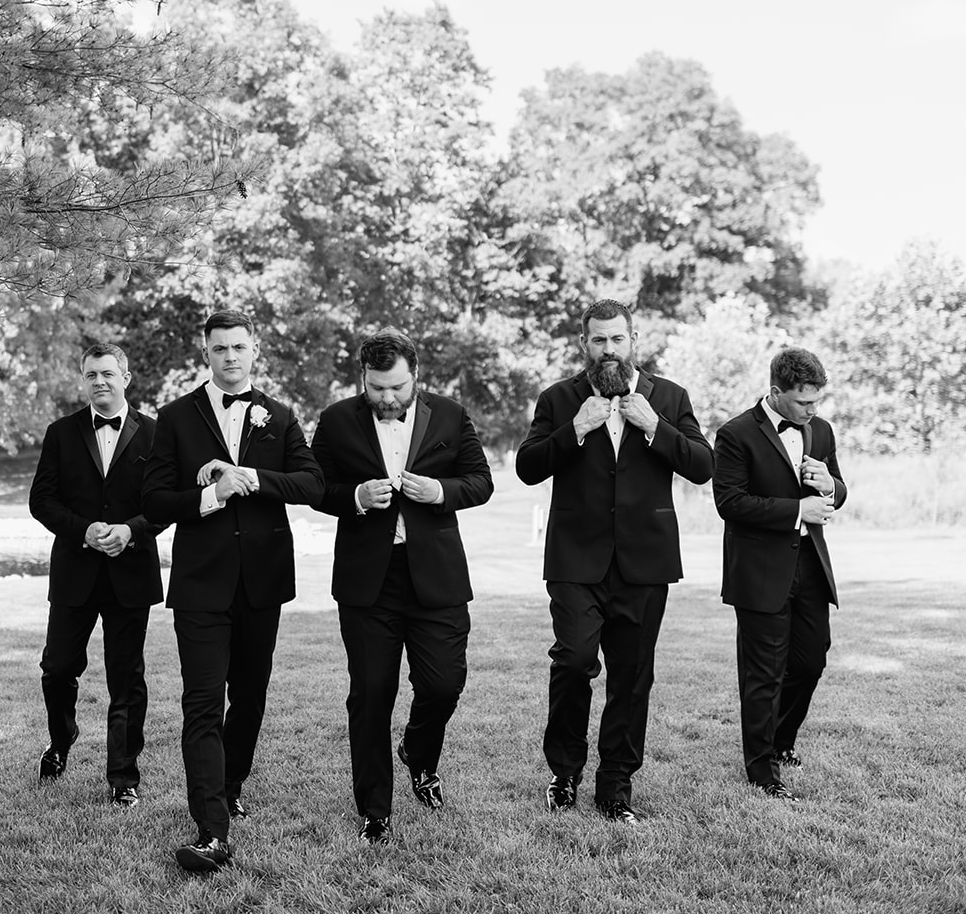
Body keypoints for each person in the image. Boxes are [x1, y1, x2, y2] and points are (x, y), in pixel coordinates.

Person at [515, 299, 713, 824]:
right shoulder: (559, 399)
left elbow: (702, 466)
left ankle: (615, 786)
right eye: (598, 340)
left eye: (617, 339)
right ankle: (563, 773)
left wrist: (655, 427)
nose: (608, 349)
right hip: (575, 560)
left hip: (645, 562)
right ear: (585, 344)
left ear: (633, 340)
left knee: (632, 676)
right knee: (574, 660)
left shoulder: (668, 396)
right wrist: (574, 429)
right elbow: (528, 468)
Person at [142, 309, 324, 872]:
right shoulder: (173, 418)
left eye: (238, 346)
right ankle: (211, 832)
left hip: (261, 583)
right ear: (205, 353)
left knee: (249, 697)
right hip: (199, 584)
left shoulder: (281, 414)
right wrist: (211, 494)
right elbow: (153, 502)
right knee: (201, 703)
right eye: (219, 348)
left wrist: (250, 478)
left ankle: (232, 783)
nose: (229, 356)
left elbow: (313, 484)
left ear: (254, 349)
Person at [309, 329, 494, 844]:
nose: (387, 398)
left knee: (442, 685)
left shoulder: (450, 415)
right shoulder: (336, 420)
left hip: (436, 576)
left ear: (416, 377)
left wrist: (441, 491)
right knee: (371, 693)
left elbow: (481, 481)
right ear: (361, 380)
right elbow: (314, 485)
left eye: (397, 387)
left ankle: (418, 751)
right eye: (377, 388)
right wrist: (355, 497)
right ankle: (375, 809)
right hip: (368, 582)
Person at [28, 343, 167, 807]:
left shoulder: (156, 432)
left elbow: (167, 505)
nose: (100, 381)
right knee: (57, 669)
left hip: (132, 571)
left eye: (108, 373)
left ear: (126, 377)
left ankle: (122, 775)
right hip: (75, 571)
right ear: (82, 380)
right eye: (91, 374)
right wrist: (84, 531)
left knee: (126, 678)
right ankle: (61, 739)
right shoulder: (61, 432)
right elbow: (41, 501)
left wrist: (131, 530)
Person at [714, 347, 847, 803]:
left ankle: (781, 740)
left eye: (817, 401)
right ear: (775, 392)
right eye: (804, 402)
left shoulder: (822, 431)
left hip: (810, 566)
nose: (813, 411)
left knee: (811, 661)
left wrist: (830, 485)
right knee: (763, 672)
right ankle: (761, 769)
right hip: (759, 572)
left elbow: (839, 489)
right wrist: (797, 510)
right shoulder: (735, 434)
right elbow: (729, 503)